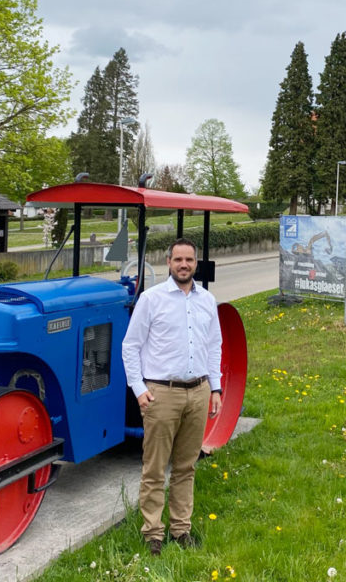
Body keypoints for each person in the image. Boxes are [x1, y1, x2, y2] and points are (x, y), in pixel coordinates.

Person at [122, 238, 223, 556]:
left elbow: (213, 346)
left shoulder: (207, 300)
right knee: (154, 468)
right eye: (178, 259)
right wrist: (139, 389)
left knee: (186, 466)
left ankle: (181, 530)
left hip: (198, 391)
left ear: (196, 263)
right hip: (161, 394)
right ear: (168, 262)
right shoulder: (151, 299)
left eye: (189, 260)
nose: (183, 264)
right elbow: (130, 346)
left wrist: (216, 388)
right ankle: (153, 532)